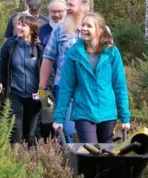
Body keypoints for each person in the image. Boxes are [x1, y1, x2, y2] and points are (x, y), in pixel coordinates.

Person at [52, 12, 131, 143]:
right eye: (83, 25)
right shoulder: (74, 53)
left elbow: (120, 86)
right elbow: (66, 87)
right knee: (91, 152)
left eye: (89, 26)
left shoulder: (112, 53)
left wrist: (125, 118)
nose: (83, 28)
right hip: (83, 111)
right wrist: (59, 118)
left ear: (100, 30)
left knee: (106, 154)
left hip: (107, 112)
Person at [38, 0, 94, 143]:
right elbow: (48, 58)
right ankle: (67, 165)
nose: (66, 8)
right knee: (65, 131)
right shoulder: (59, 30)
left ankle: (87, 163)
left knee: (90, 134)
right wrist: (41, 90)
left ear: (83, 6)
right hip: (64, 89)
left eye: (70, 5)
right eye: (67, 4)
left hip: (91, 90)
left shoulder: (100, 29)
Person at [0, 14, 43, 147]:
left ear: (32, 29)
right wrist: (0, 84)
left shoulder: (41, 48)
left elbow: (48, 76)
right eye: (18, 24)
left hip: (35, 96)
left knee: (31, 133)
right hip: (14, 93)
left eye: (23, 25)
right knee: (15, 130)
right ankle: (14, 162)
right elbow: (2, 68)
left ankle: (31, 164)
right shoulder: (10, 45)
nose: (18, 27)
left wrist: (44, 93)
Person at [36, 0, 67, 142]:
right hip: (44, 85)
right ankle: (47, 149)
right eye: (53, 11)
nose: (56, 15)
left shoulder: (72, 31)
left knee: (65, 123)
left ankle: (63, 153)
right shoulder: (40, 31)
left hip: (64, 84)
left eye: (60, 11)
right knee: (46, 119)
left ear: (66, 11)